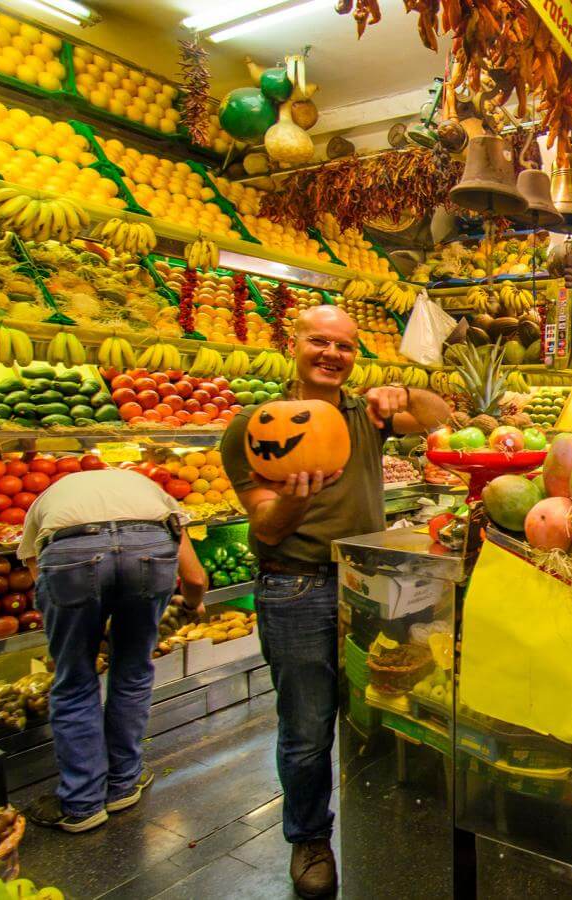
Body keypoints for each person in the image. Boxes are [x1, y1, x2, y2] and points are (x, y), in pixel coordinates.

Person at [220, 305, 450, 899]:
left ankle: (387, 815)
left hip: (373, 584)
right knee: (306, 725)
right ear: (293, 345)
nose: (331, 354)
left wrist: (401, 393)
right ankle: (309, 840)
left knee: (390, 699)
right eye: (319, 342)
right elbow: (267, 528)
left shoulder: (364, 414)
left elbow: (441, 415)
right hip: (294, 585)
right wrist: (297, 500)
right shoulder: (253, 426)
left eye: (344, 347)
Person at [19, 468, 208, 833]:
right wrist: (191, 606)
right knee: (133, 671)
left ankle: (82, 803)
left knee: (74, 680)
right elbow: (196, 578)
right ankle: (123, 784)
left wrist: (79, 624)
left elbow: (37, 573)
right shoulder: (154, 493)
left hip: (70, 552)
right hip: (149, 549)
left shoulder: (47, 501)